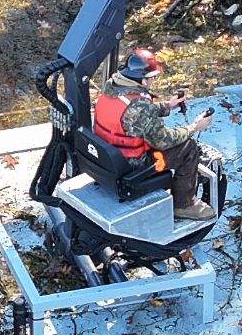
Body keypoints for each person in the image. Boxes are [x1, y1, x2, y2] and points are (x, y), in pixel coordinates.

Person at [90, 46, 214, 221]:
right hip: (132, 165)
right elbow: (164, 140)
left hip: (108, 158)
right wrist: (194, 127)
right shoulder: (139, 107)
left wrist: (167, 106)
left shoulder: (112, 89)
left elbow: (132, 114)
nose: (153, 81)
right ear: (142, 81)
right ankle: (184, 205)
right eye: (152, 78)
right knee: (189, 148)